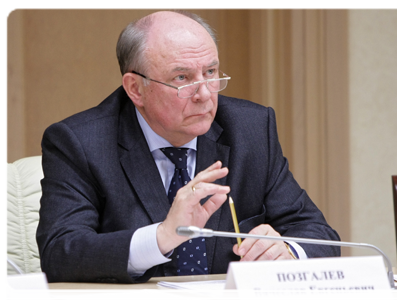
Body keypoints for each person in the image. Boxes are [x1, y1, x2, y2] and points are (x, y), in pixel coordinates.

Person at [36, 10, 340, 284]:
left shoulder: (251, 129)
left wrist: (287, 251)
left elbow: (319, 234)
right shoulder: (79, 142)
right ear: (135, 88)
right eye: (182, 78)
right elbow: (60, 253)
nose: (204, 94)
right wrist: (163, 236)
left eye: (210, 73)